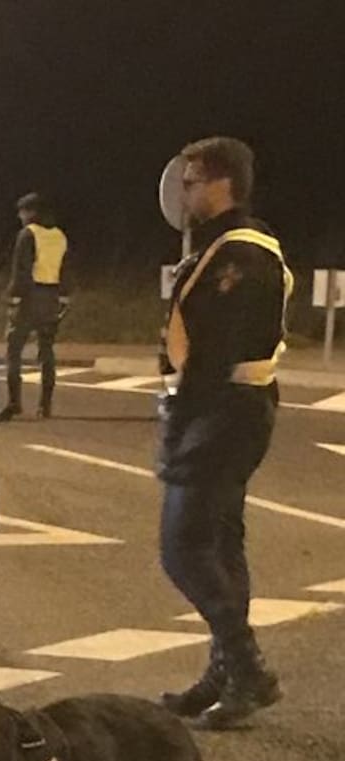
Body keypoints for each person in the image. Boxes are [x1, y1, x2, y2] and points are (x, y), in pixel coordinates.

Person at [157, 136, 291, 730]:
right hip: (231, 409)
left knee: (183, 548)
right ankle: (225, 674)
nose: (182, 194)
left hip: (224, 411)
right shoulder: (226, 247)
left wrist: (179, 427)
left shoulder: (241, 253)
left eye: (190, 182)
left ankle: (247, 668)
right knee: (219, 543)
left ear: (219, 183)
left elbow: (213, 353)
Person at [0, 192, 71, 421]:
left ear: (30, 212)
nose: (20, 217)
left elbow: (22, 270)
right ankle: (45, 405)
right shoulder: (59, 236)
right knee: (46, 351)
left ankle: (14, 403)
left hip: (30, 297)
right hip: (51, 297)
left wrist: (14, 297)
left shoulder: (27, 234)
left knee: (13, 349)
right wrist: (64, 296)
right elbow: (65, 269)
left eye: (22, 212)